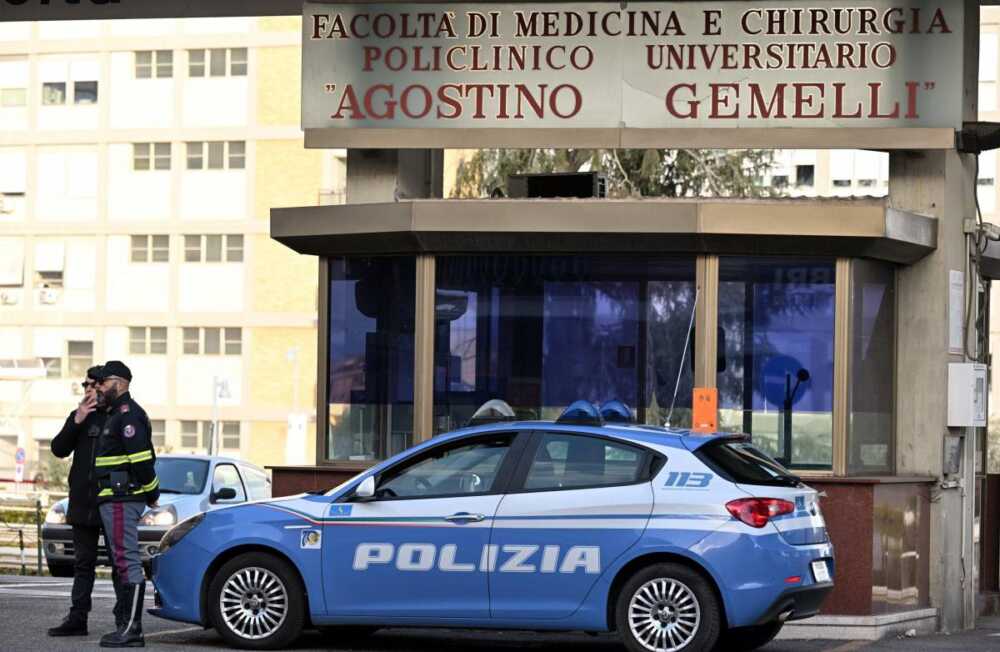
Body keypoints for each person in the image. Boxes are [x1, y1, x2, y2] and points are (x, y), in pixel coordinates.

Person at [93, 361, 159, 648]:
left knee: (127, 561)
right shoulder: (114, 414)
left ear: (119, 383)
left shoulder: (128, 415)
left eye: (103, 382)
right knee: (122, 561)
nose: (99, 387)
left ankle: (133, 630)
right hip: (114, 499)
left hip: (122, 498)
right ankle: (128, 626)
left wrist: (152, 492)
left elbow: (142, 461)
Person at [47, 365, 109, 637]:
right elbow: (58, 449)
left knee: (119, 564)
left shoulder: (118, 416)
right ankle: (77, 619)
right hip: (82, 502)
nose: (87, 390)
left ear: (103, 386)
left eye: (92, 385)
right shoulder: (79, 416)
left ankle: (124, 621)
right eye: (85, 385)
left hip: (111, 502)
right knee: (83, 564)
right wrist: (78, 419)